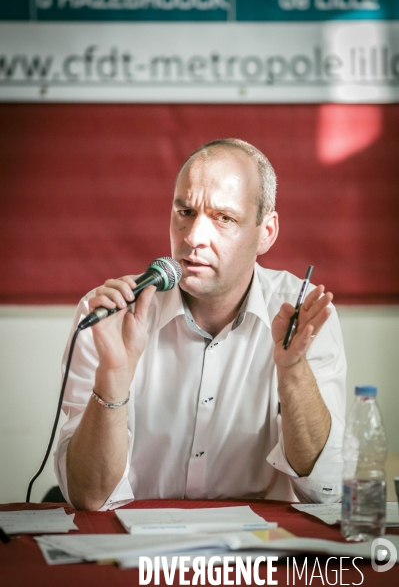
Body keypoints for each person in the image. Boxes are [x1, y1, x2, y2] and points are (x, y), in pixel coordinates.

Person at [55, 138, 346, 511]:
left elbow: (326, 489)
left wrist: (292, 373)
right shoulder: (109, 315)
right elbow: (87, 496)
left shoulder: (301, 315)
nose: (193, 239)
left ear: (266, 232)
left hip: (257, 559)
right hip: (139, 553)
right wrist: (113, 377)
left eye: (224, 218)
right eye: (185, 211)